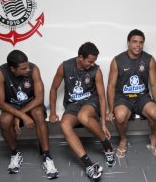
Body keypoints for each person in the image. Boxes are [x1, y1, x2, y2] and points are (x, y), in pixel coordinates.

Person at [49, 42, 115, 181]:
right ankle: (89, 165)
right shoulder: (65, 66)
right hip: (72, 104)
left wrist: (103, 124)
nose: (92, 64)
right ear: (80, 57)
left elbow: (102, 98)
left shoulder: (96, 70)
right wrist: (53, 112)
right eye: (90, 61)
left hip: (90, 102)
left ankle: (108, 147)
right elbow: (54, 89)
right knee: (64, 125)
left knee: (83, 116)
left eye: (94, 61)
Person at [0, 50, 58, 179]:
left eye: (27, 66)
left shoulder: (34, 69)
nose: (27, 69)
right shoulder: (1, 72)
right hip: (12, 105)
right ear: (12, 68)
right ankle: (15, 153)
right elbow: (0, 103)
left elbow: (39, 99)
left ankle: (47, 156)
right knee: (5, 120)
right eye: (23, 68)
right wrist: (21, 115)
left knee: (39, 114)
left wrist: (20, 115)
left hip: (32, 103)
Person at [106, 29, 156, 158]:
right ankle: (123, 139)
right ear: (128, 43)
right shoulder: (117, 60)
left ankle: (153, 137)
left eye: (141, 42)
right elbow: (111, 86)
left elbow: (154, 85)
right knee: (120, 116)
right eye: (135, 42)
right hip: (123, 98)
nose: (138, 45)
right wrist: (110, 110)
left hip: (142, 97)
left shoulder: (149, 59)